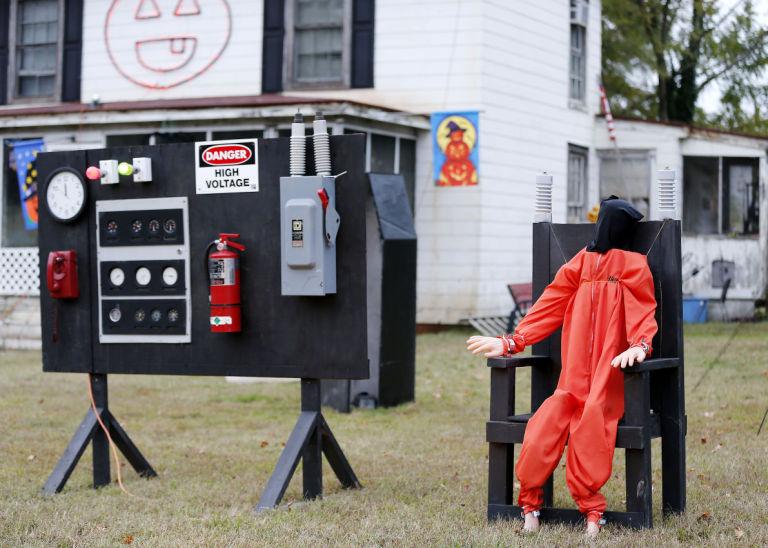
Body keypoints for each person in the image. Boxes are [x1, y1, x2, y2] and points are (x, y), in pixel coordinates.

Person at [466, 197, 657, 538]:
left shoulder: (633, 266)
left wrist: (640, 346)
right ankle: (530, 505)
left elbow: (644, 310)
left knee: (592, 423)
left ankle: (592, 510)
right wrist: (513, 341)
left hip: (606, 377)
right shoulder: (579, 265)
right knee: (545, 424)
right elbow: (549, 306)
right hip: (570, 382)